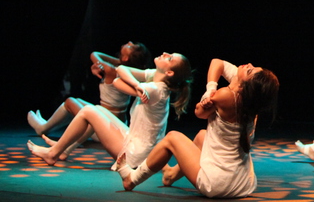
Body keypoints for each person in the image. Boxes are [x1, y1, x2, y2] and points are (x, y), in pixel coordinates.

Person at [115, 59, 279, 198]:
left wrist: (209, 95)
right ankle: (171, 175)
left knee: (172, 138)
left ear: (245, 86)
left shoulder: (226, 95)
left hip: (217, 184)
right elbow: (217, 63)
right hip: (242, 183)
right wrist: (211, 88)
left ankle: (131, 179)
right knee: (202, 136)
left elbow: (199, 113)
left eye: (250, 70)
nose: (248, 64)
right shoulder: (251, 100)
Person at [27, 52, 192, 168]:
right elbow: (120, 70)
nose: (165, 54)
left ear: (169, 72)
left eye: (169, 58)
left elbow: (117, 82)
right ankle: (64, 150)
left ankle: (53, 153)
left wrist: (137, 88)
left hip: (136, 155)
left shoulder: (155, 89)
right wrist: (137, 85)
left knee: (88, 111)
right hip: (138, 144)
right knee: (98, 109)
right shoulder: (152, 77)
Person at [27, 42, 151, 141]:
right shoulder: (131, 74)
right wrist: (122, 61)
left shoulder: (112, 70)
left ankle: (43, 128)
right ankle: (46, 126)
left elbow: (94, 55)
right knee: (77, 102)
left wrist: (119, 61)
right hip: (115, 123)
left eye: (131, 46)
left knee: (70, 102)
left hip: (104, 128)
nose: (129, 42)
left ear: (125, 58)